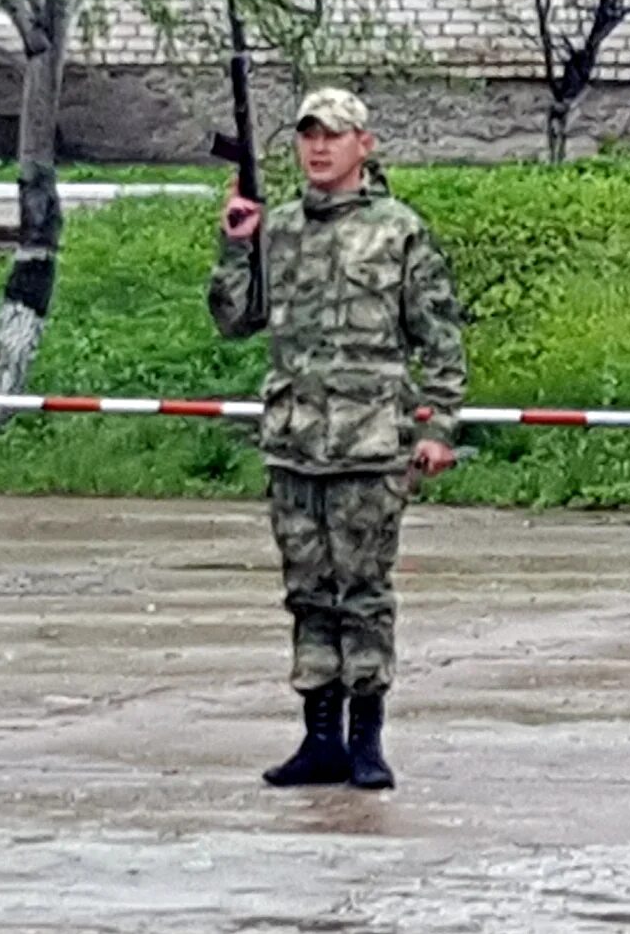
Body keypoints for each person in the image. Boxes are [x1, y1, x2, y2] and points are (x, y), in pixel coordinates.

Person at [211, 88, 466, 793]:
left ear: (365, 144)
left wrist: (438, 424)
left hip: (369, 443)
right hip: (295, 441)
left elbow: (439, 336)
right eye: (308, 136)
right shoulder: (279, 227)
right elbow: (236, 319)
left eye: (333, 135)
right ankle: (319, 735)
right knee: (307, 595)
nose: (318, 148)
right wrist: (234, 244)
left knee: (363, 594)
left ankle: (366, 739)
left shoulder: (399, 231)